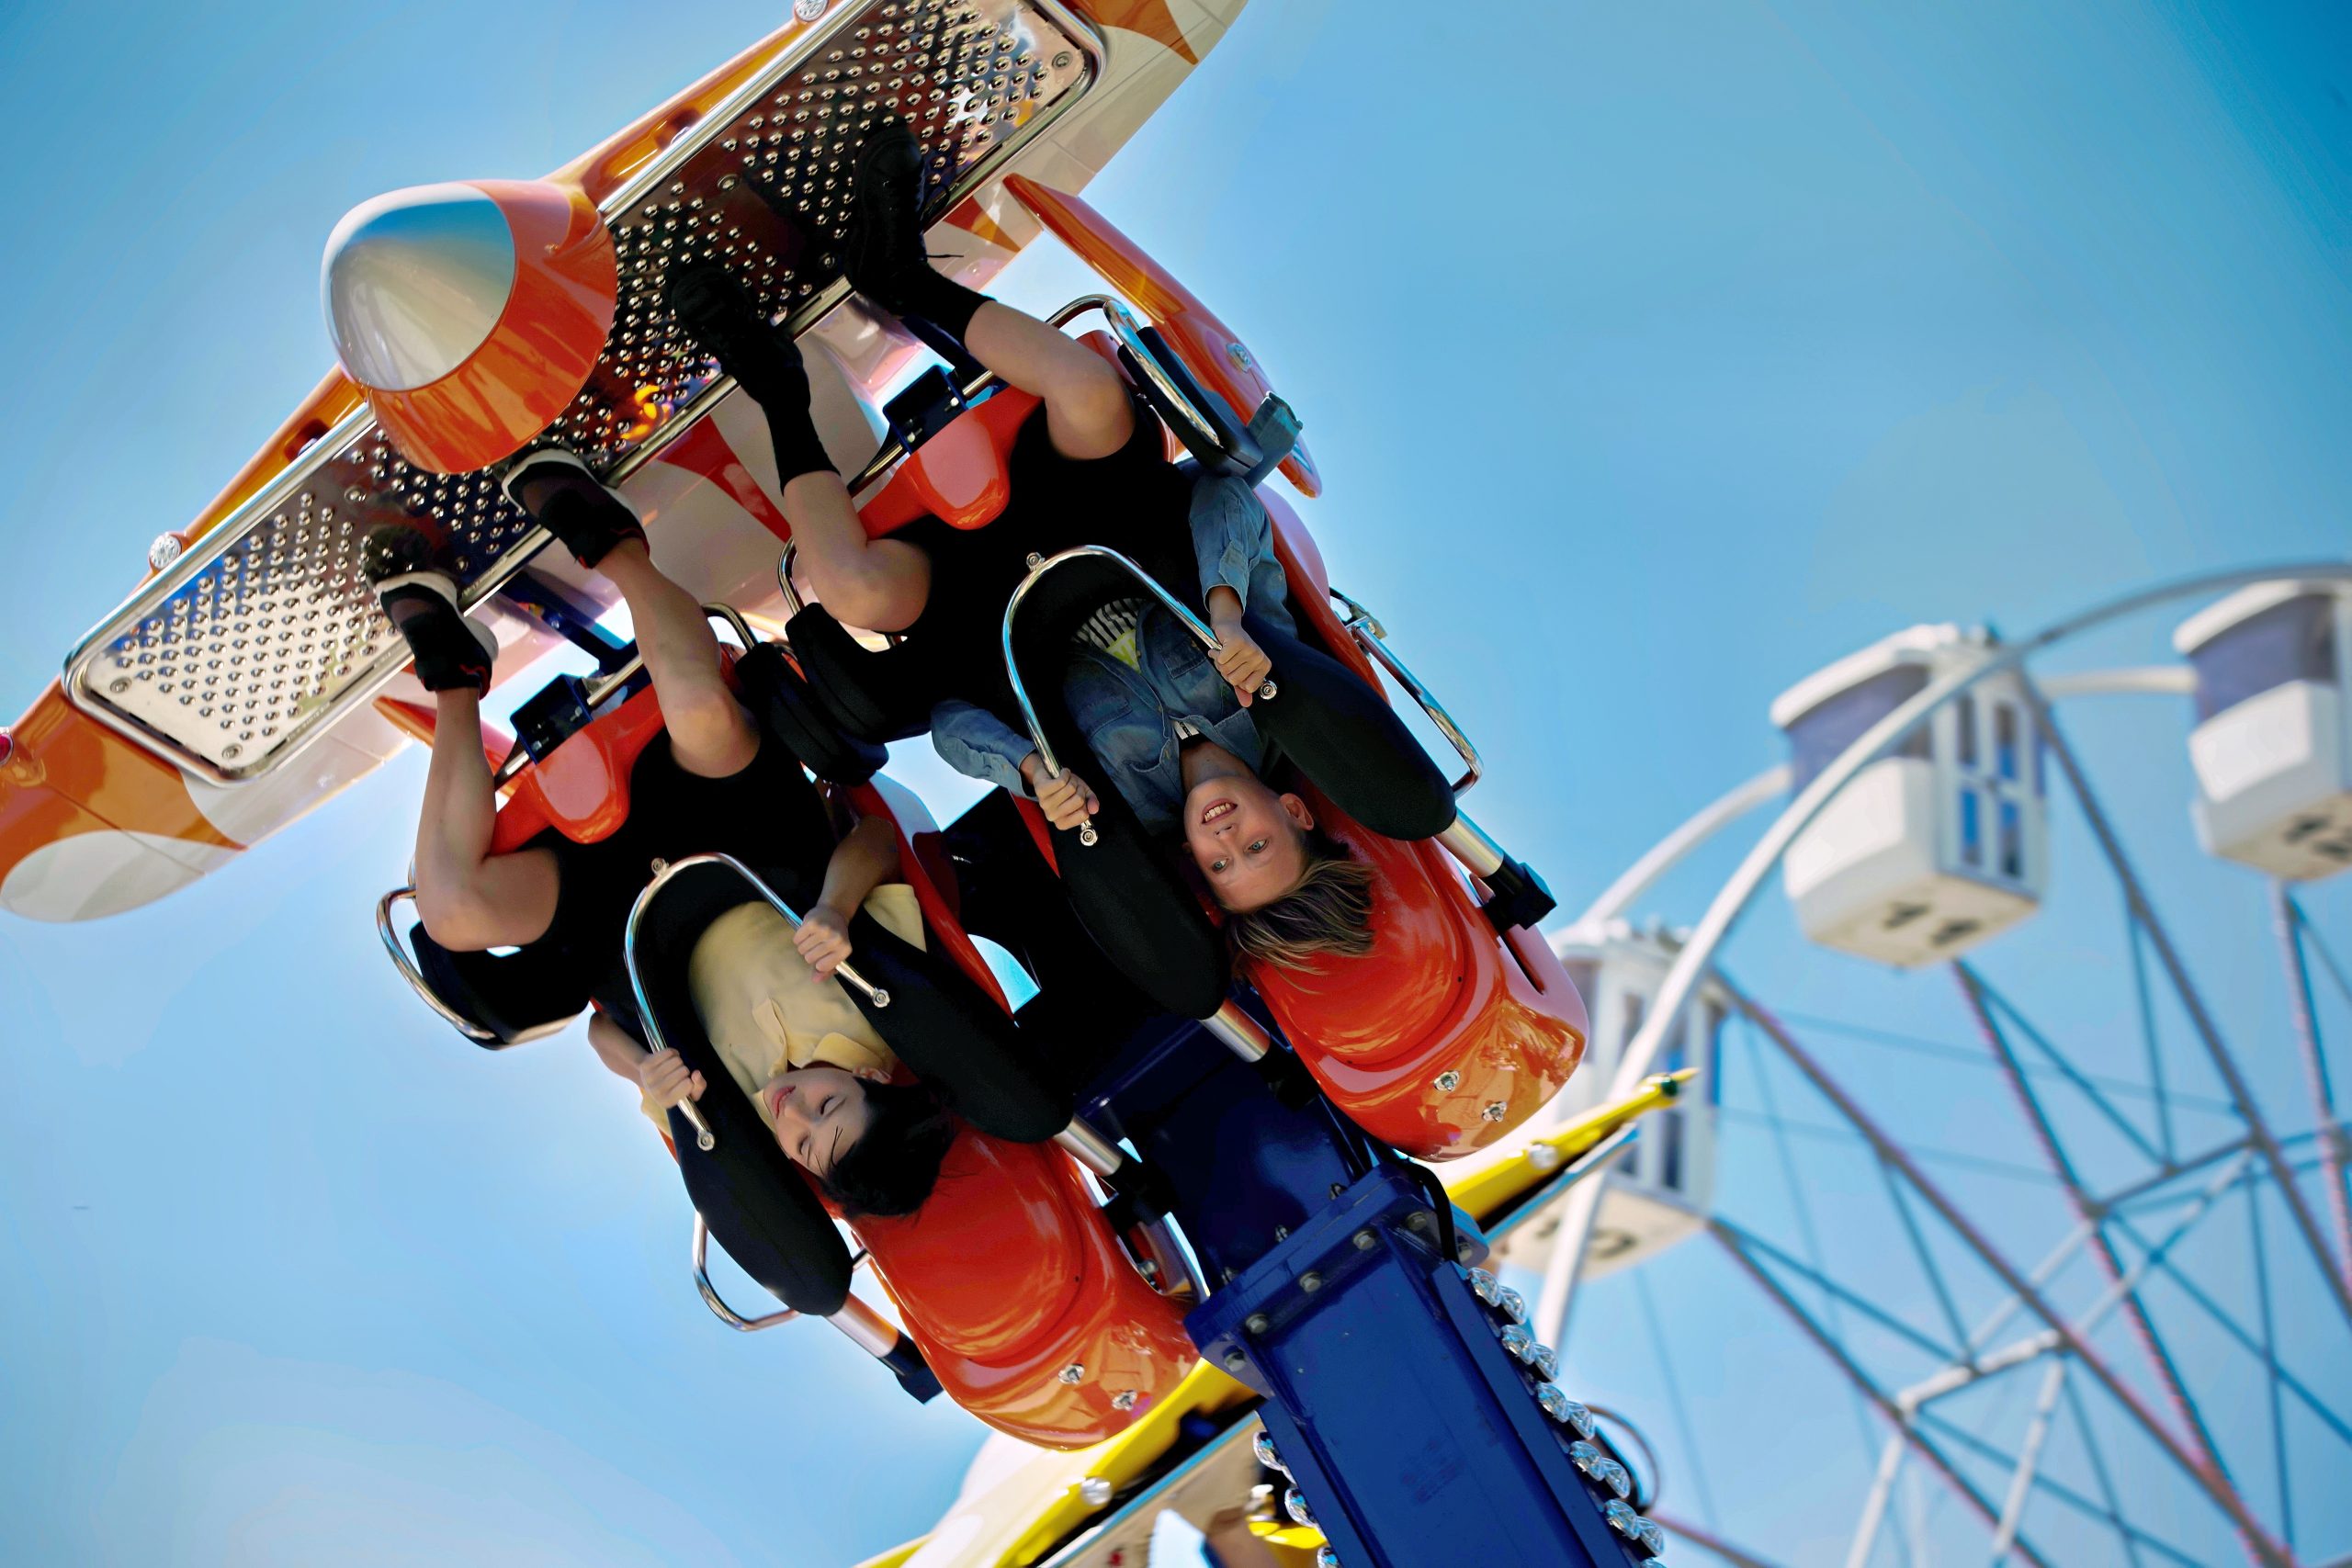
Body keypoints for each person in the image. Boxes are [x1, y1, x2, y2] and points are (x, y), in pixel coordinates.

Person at [366, 465, 956, 1212]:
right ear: (870, 1081)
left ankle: (453, 673)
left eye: (804, 1141)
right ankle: (612, 546)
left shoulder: (730, 1117)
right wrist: (837, 910)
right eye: (827, 1107)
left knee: (452, 913)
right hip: (738, 828)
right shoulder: (884, 1008)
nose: (796, 1111)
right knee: (705, 716)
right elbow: (873, 836)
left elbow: (599, 1033)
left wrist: (646, 1071)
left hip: (624, 904)